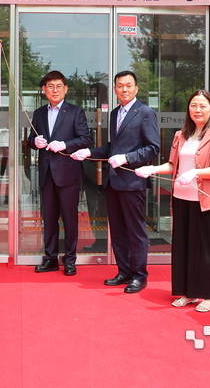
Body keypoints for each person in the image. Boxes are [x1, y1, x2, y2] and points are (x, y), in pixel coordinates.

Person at [136, 90, 210, 311]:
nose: (198, 110)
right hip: (180, 197)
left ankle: (209, 295)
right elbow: (172, 166)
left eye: (203, 106)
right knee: (183, 246)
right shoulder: (181, 135)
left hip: (203, 200)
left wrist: (195, 173)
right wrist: (151, 168)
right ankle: (188, 292)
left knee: (205, 247)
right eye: (194, 105)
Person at [72, 70, 160, 293]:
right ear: (114, 89)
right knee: (118, 230)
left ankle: (139, 276)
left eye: (129, 86)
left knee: (135, 230)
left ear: (136, 88)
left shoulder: (145, 112)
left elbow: (153, 148)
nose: (124, 90)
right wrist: (88, 152)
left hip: (132, 182)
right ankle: (124, 271)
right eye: (120, 86)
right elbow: (113, 148)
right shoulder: (114, 113)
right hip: (113, 182)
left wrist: (128, 158)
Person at [27, 70, 92, 276]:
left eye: (58, 86)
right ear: (44, 90)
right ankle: (50, 258)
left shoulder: (75, 112)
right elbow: (31, 138)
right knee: (49, 218)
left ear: (65, 89)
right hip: (47, 174)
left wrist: (64, 144)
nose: (54, 90)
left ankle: (70, 260)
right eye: (50, 87)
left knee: (70, 219)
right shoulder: (38, 113)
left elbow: (85, 139)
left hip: (68, 174)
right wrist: (33, 142)